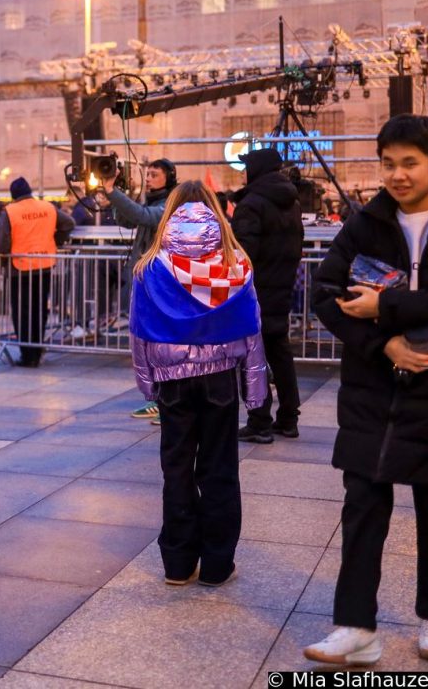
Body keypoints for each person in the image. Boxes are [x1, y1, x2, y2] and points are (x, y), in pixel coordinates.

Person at [304, 115, 428, 667]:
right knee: (362, 506)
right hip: (374, 393)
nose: (396, 175)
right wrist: (382, 344)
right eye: (388, 163)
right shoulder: (367, 223)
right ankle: (355, 627)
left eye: (409, 163)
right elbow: (325, 293)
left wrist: (387, 306)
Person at [130, 183, 266, 588]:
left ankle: (177, 562)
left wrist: (147, 383)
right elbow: (252, 329)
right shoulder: (236, 263)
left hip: (172, 381)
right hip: (221, 377)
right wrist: (256, 392)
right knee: (219, 468)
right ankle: (217, 564)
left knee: (176, 469)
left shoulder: (150, 266)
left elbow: (139, 333)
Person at [232, 148, 305, 444]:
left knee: (252, 356)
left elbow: (243, 255)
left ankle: (259, 421)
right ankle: (288, 418)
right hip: (282, 287)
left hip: (254, 292)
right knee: (280, 352)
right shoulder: (291, 202)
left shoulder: (251, 204)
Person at [99, 159, 177, 420]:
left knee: (160, 345)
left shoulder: (169, 204)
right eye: (148, 174)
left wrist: (113, 192)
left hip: (159, 283)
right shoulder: (152, 201)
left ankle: (166, 400)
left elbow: (143, 217)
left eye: (155, 174)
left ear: (170, 177)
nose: (149, 178)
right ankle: (158, 397)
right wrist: (119, 192)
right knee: (149, 344)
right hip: (147, 281)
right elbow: (130, 219)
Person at [0, 176, 74, 368]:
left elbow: (1, 244)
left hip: (19, 269)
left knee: (22, 312)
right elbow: (69, 223)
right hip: (44, 265)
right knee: (40, 310)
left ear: (14, 196)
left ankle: (27, 354)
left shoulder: (10, 211)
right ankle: (37, 351)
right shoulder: (47, 207)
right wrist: (56, 240)